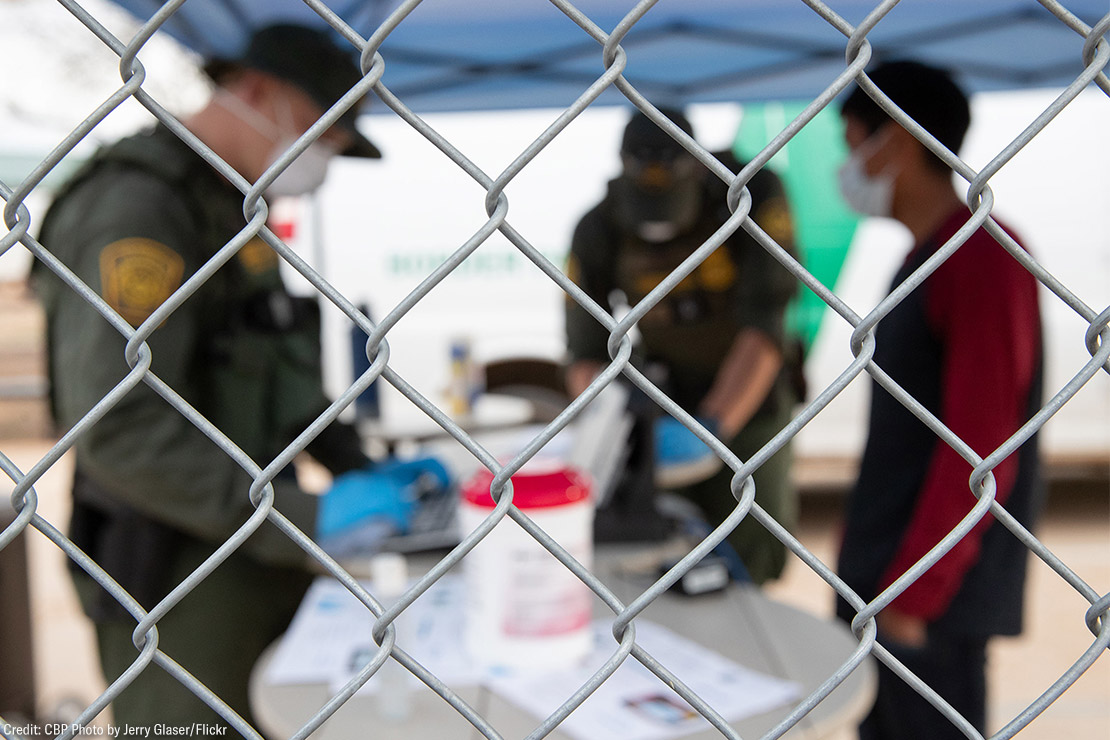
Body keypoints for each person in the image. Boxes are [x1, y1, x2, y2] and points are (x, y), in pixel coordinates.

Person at [31, 24, 439, 730]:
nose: (324, 160)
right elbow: (118, 428)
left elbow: (274, 377)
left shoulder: (235, 211)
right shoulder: (141, 206)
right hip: (174, 576)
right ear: (254, 92)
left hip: (257, 549)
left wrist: (361, 468)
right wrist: (308, 517)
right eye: (322, 132)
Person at [833, 61, 1044, 739]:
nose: (846, 169)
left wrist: (914, 592)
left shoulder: (979, 256)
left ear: (891, 143)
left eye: (851, 143)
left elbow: (981, 451)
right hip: (892, 579)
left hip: (926, 599)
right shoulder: (930, 254)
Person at [564, 107, 803, 585]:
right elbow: (585, 352)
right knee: (666, 550)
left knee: (752, 553)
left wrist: (714, 429)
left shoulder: (750, 197)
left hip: (749, 402)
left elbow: (766, 326)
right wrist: (605, 436)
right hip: (666, 402)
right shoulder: (599, 227)